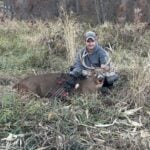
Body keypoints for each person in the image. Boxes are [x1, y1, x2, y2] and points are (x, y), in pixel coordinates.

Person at [59, 31, 118, 98]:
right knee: (75, 72)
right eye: (88, 41)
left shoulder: (101, 52)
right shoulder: (81, 53)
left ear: (95, 41)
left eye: (92, 41)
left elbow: (104, 64)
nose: (90, 44)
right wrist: (77, 73)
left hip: (99, 74)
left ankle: (104, 90)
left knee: (109, 80)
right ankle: (67, 90)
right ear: (85, 42)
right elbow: (77, 65)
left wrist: (104, 66)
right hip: (88, 73)